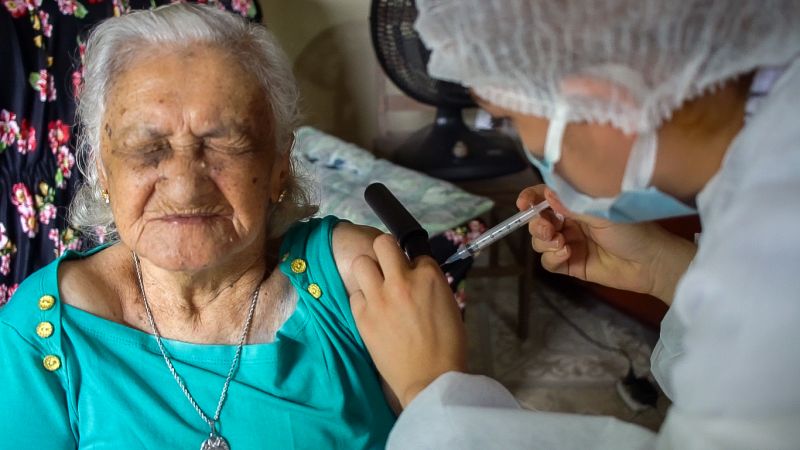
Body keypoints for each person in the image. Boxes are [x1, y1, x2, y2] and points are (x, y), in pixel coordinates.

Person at [348, 0, 800, 448]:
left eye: (510, 118)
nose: (525, 145)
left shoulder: (778, 249)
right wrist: (665, 268)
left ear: (601, 102)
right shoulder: (772, 149)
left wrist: (429, 392)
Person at [0, 4, 397, 448]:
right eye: (146, 148)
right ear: (101, 171)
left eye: (225, 144)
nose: (186, 188)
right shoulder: (41, 337)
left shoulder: (359, 286)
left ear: (279, 167)